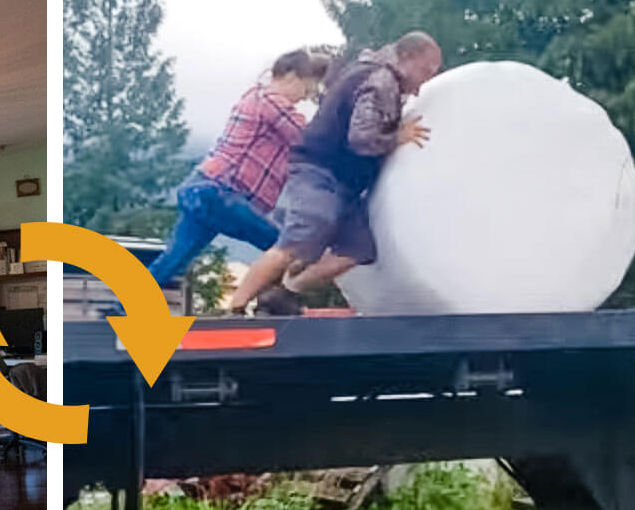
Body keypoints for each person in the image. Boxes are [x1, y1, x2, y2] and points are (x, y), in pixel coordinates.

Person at [228, 31, 442, 315]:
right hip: (321, 170)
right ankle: (236, 307)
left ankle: (286, 291)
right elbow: (362, 139)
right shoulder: (380, 81)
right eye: (426, 69)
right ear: (407, 57)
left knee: (357, 249)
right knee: (302, 236)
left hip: (345, 182)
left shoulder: (380, 77)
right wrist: (397, 137)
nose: (427, 78)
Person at [138, 50, 330, 305]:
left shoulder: (254, 96)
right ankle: (261, 305)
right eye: (307, 87)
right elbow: (309, 140)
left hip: (203, 187)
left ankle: (121, 308)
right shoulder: (272, 101)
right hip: (220, 192)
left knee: (174, 259)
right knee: (284, 247)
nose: (306, 96)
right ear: (292, 76)